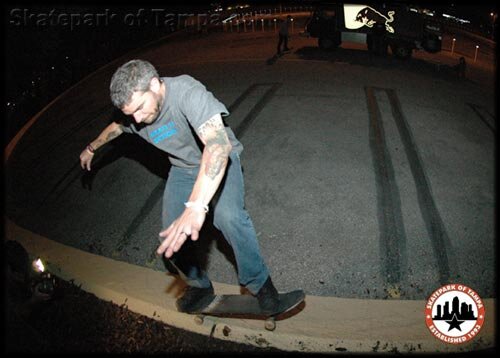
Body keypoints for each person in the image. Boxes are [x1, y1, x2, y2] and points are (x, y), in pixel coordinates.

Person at [79, 59, 282, 313]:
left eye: (141, 108)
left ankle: (260, 284)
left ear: (154, 84)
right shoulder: (133, 114)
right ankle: (198, 285)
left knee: (228, 217)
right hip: (183, 169)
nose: (138, 119)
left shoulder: (187, 92)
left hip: (221, 161)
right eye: (131, 114)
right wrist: (91, 148)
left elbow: (218, 146)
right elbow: (116, 128)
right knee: (172, 237)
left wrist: (197, 206)